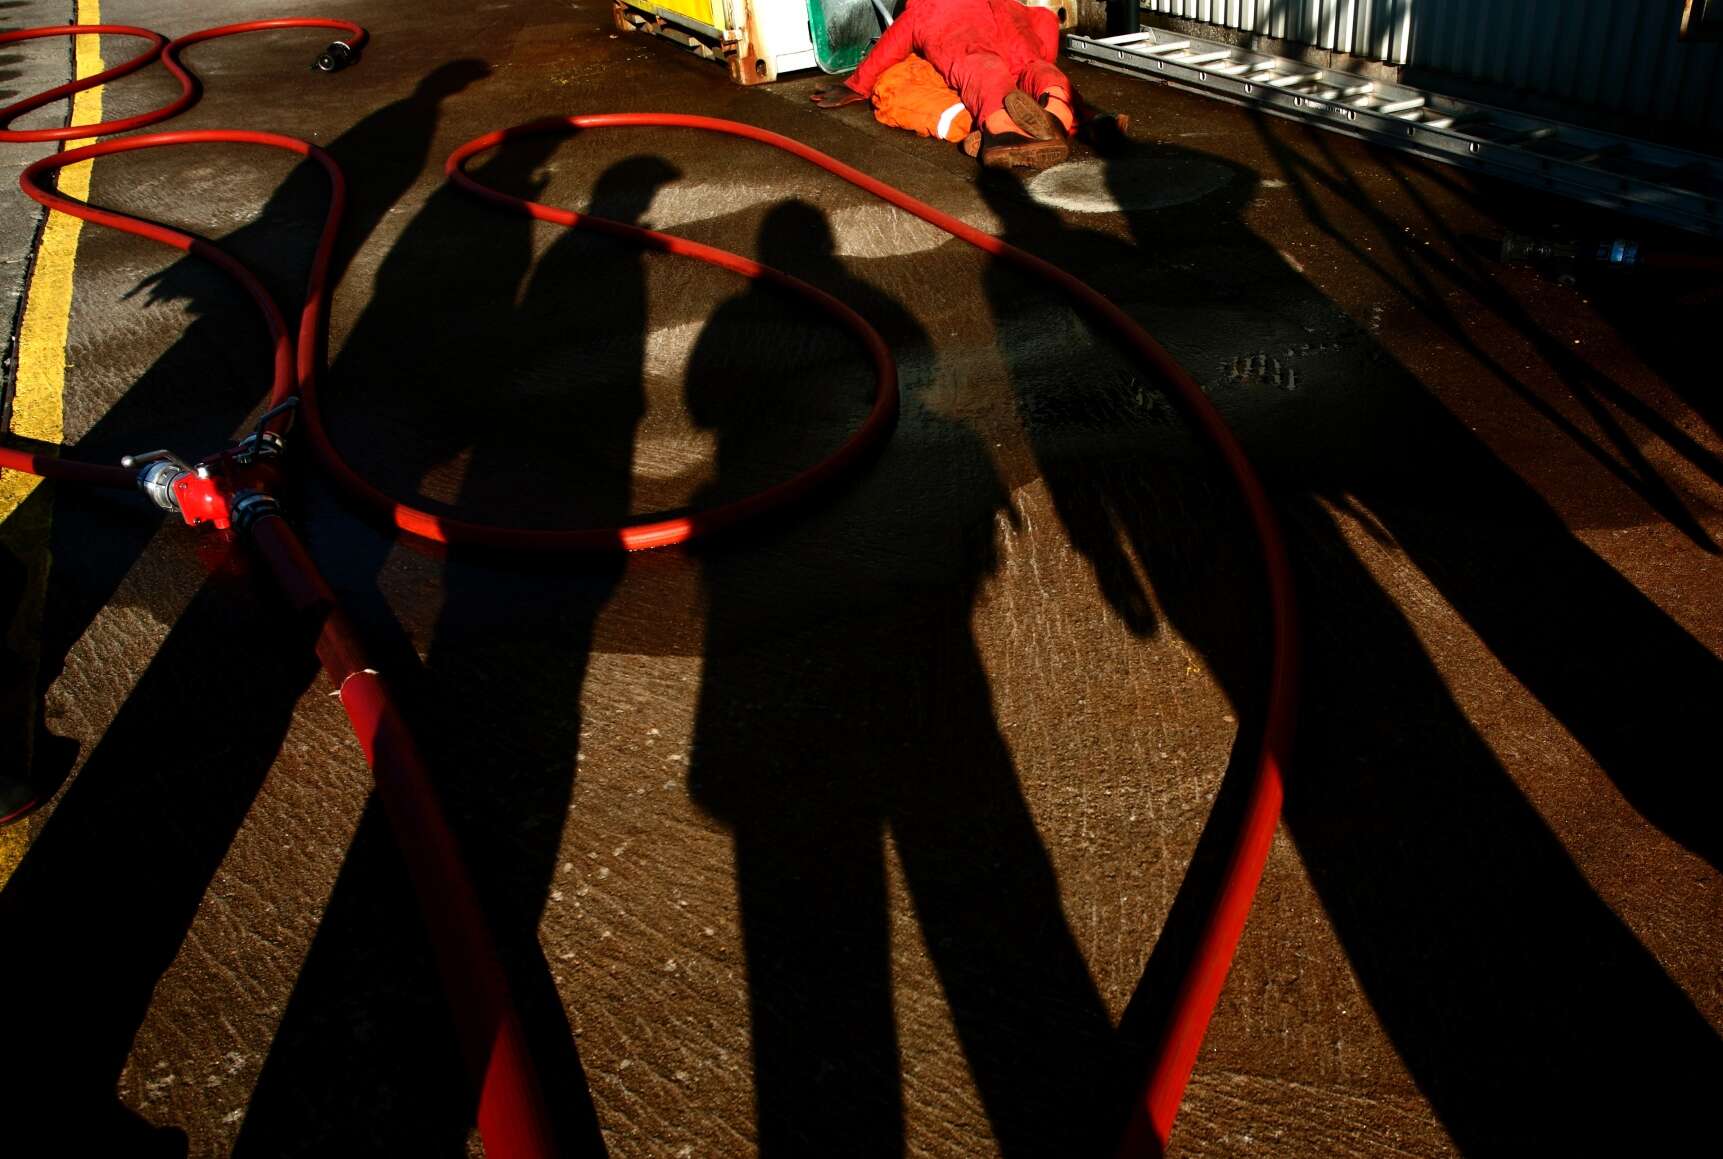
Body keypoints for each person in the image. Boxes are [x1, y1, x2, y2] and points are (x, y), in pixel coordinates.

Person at [811, 0, 1082, 168]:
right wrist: (1043, 54)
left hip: (964, 41)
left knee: (986, 73)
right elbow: (1045, 20)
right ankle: (1058, 114)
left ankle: (1004, 134)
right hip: (1012, 27)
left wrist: (857, 85)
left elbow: (893, 43)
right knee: (1038, 69)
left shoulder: (925, 9)